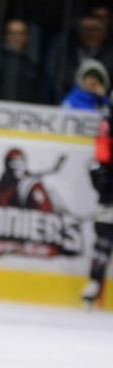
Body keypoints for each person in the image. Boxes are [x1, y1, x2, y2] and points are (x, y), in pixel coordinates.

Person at [83, 99, 113, 307]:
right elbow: (103, 143)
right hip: (111, 185)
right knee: (104, 233)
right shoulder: (108, 120)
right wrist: (100, 168)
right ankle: (95, 280)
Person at [0, 19, 41, 103]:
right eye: (12, 33)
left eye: (20, 34)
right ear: (5, 36)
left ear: (27, 37)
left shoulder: (30, 64)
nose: (16, 38)